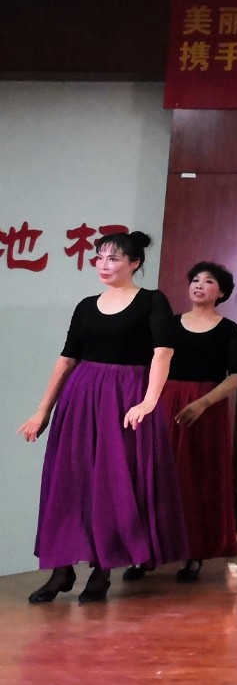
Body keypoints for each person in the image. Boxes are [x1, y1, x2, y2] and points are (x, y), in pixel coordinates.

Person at [17, 230, 188, 603]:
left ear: (134, 263)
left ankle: (101, 569)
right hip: (81, 398)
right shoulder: (85, 306)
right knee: (70, 480)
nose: (104, 265)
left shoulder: (152, 301)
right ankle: (61, 569)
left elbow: (163, 353)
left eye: (114, 258)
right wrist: (42, 410)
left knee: (114, 484)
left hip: (127, 399)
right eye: (100, 257)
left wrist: (148, 401)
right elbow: (67, 359)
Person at [161, 261, 237, 583]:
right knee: (160, 475)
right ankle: (148, 553)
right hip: (166, 402)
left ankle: (194, 554)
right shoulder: (169, 324)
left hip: (206, 407)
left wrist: (203, 402)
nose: (199, 285)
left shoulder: (228, 330)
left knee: (197, 478)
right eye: (195, 279)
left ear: (221, 292)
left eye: (208, 281)